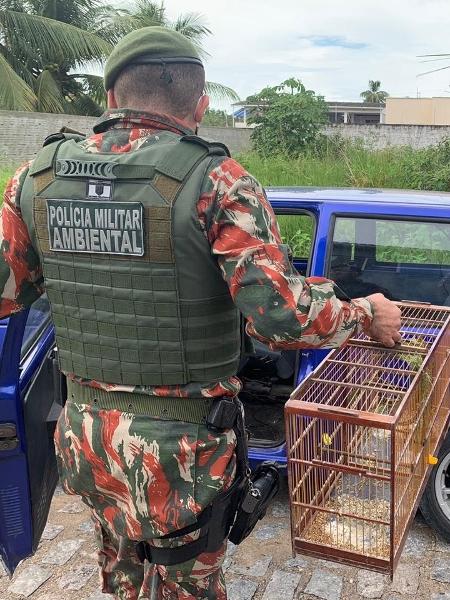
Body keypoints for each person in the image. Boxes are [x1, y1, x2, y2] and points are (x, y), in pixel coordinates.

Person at [0, 26, 401, 600]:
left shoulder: (35, 179)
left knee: (122, 571)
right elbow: (282, 320)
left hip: (86, 437)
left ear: (110, 97)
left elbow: (8, 295)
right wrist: (365, 313)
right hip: (181, 447)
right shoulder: (218, 182)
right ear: (201, 106)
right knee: (189, 580)